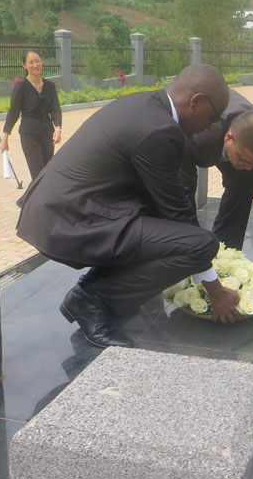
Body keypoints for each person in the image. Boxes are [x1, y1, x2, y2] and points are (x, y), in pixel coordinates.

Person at [15, 64, 239, 348]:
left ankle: (94, 289)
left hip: (60, 210)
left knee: (163, 226)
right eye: (214, 116)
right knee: (200, 244)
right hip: (68, 219)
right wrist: (215, 291)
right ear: (197, 101)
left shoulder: (145, 105)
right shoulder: (160, 130)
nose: (212, 125)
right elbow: (180, 217)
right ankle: (89, 300)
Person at [180, 90, 253, 275]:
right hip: (192, 144)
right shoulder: (201, 133)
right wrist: (191, 252)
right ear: (228, 138)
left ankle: (224, 259)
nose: (250, 167)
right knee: (180, 202)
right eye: (244, 160)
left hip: (235, 142)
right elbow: (182, 190)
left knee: (244, 183)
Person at [0, 50, 62, 179]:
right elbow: (13, 113)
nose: (35, 65)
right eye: (31, 62)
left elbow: (55, 108)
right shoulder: (21, 87)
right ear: (24, 65)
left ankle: (44, 198)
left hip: (47, 132)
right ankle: (35, 198)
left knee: (48, 171)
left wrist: (58, 129)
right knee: (37, 173)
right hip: (29, 134)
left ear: (42, 62)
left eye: (37, 61)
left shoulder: (50, 86)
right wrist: (5, 138)